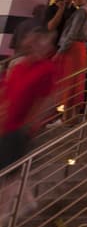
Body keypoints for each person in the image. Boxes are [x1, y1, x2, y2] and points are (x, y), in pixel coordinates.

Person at [0, 29, 59, 170]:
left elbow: (46, 99)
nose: (35, 46)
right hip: (6, 127)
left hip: (17, 131)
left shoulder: (46, 69)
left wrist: (30, 125)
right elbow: (6, 93)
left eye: (41, 44)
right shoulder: (19, 67)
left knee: (8, 174)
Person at [55, 0, 87, 121]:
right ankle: (70, 118)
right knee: (75, 83)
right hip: (80, 49)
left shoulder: (81, 12)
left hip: (73, 48)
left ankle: (66, 118)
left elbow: (72, 33)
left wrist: (60, 51)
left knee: (69, 82)